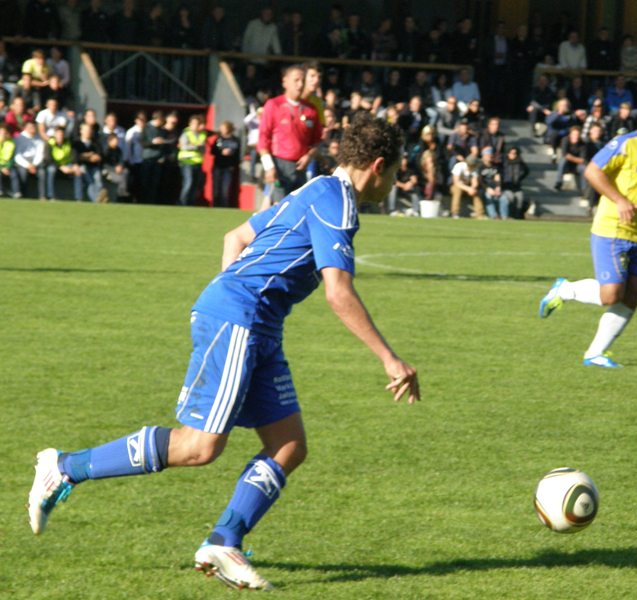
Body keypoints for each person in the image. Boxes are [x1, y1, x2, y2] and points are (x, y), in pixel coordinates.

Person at [27, 114, 420, 592]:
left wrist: (235, 297)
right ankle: (64, 467)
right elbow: (338, 292)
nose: (394, 180)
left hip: (257, 324)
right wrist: (389, 358)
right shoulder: (336, 204)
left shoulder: (316, 189)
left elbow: (234, 237)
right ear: (378, 165)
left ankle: (223, 541)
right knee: (199, 447)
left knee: (288, 445)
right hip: (241, 319)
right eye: (395, 170)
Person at [538, 91, 637, 368]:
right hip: (611, 228)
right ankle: (565, 289)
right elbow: (593, 171)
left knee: (634, 293)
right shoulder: (626, 143)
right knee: (610, 295)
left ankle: (595, 354)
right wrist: (620, 200)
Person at [257, 64, 322, 206]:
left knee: (297, 209)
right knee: (279, 207)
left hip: (301, 167)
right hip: (279, 165)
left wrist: (309, 156)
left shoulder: (311, 110)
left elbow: (317, 141)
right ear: (285, 82)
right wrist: (269, 166)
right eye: (296, 80)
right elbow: (263, 138)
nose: (300, 84)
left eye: (302, 81)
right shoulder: (274, 105)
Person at [178, 114, 208, 206]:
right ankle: (183, 203)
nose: (195, 125)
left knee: (195, 185)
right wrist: (196, 146)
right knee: (188, 183)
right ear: (190, 124)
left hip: (198, 162)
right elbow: (183, 146)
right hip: (187, 161)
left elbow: (203, 148)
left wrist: (198, 147)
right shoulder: (186, 133)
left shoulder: (202, 134)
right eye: (194, 123)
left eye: (197, 124)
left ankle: (191, 204)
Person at [211, 120, 240, 208]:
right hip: (218, 166)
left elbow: (238, 155)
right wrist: (221, 152)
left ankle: (224, 207)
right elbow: (212, 151)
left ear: (228, 129)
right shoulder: (218, 139)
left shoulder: (235, 140)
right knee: (216, 188)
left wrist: (233, 164)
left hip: (229, 167)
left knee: (225, 188)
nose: (221, 130)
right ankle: (215, 206)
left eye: (223, 128)